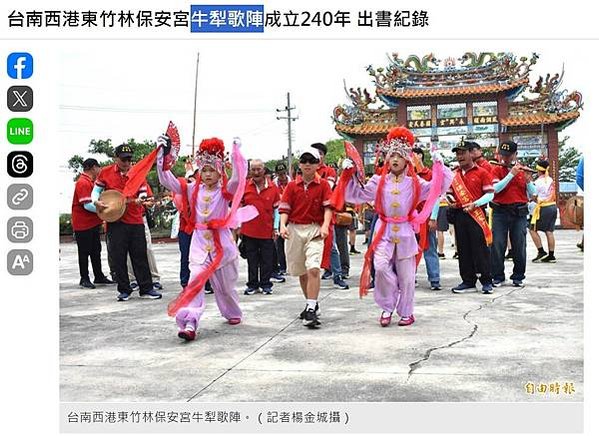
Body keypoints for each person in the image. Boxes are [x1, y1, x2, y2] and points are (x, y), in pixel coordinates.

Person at [339, 127, 453, 327]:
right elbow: (356, 194)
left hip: (406, 231)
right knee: (381, 267)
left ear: (407, 159)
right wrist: (348, 173)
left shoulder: (415, 182)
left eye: (400, 156)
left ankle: (406, 311)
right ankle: (387, 305)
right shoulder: (377, 181)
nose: (395, 160)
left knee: (407, 276)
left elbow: (438, 187)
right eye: (392, 155)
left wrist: (439, 165)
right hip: (383, 229)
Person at [156, 135, 252, 341]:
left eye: (212, 170)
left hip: (223, 246)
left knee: (225, 287)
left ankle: (232, 312)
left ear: (220, 172)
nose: (207, 174)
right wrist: (161, 155)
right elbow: (167, 179)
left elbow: (238, 177)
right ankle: (190, 322)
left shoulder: (226, 191)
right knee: (195, 282)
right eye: (204, 170)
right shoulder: (192, 190)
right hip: (199, 244)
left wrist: (236, 152)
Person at [92, 144, 161, 301]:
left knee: (140, 255)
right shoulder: (106, 172)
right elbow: (96, 191)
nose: (126, 162)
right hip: (115, 221)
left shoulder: (137, 172)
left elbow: (143, 191)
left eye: (129, 159)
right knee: (118, 257)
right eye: (123, 159)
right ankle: (124, 289)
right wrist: (96, 201)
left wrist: (142, 200)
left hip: (136, 220)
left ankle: (146, 288)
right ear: (116, 158)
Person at [279, 147, 333, 328]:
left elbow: (328, 208)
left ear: (318, 164)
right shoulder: (292, 186)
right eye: (304, 161)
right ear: (299, 165)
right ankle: (312, 303)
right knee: (301, 271)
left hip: (314, 229)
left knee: (314, 268)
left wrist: (325, 226)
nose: (308, 164)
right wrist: (282, 225)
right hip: (295, 228)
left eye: (312, 161)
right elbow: (285, 208)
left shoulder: (324, 185)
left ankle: (310, 308)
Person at [446, 140, 495, 294]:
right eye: (457, 154)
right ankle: (468, 281)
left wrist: (475, 204)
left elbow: (490, 195)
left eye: (463, 153)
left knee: (480, 250)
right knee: (463, 249)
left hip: (476, 215)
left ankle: (487, 281)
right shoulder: (454, 175)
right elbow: (448, 193)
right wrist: (451, 201)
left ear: (471, 154)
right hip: (460, 216)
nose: (460, 156)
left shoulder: (482, 172)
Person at [489, 141, 536, 287]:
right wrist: (510, 175)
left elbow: (533, 193)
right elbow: (495, 188)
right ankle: (497, 276)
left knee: (519, 244)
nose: (505, 159)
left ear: (515, 154)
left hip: (519, 212)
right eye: (503, 155)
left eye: (508, 156)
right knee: (497, 244)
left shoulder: (522, 170)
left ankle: (518, 276)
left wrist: (528, 181)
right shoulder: (496, 169)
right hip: (500, 211)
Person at [71, 158, 114, 289]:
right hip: (83, 224)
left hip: (93, 223)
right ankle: (84, 278)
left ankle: (98, 275)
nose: (100, 170)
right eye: (99, 167)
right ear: (93, 167)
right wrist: (106, 211)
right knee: (84, 252)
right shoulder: (82, 182)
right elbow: (87, 205)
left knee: (96, 250)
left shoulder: (92, 182)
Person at [311, 142, 349, 290]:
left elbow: (326, 187)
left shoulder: (329, 171)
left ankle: (337, 275)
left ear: (323, 156)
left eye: (320, 154)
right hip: (308, 215)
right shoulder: (303, 171)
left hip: (326, 214)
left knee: (331, 246)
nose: (317, 157)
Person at [240, 159, 281, 295]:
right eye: (253, 169)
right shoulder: (244, 187)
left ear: (264, 171)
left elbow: (277, 210)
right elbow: (239, 207)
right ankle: (252, 284)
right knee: (252, 259)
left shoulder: (273, 188)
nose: (256, 172)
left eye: (259, 169)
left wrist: (276, 228)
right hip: (249, 231)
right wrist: (239, 227)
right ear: (250, 171)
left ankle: (266, 284)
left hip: (267, 230)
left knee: (267, 259)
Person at [412, 146, 442, 291]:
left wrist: (433, 217)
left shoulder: (430, 174)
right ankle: (410, 277)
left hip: (426, 216)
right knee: (410, 249)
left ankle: (434, 278)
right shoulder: (407, 174)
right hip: (411, 218)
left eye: (413, 155)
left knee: (430, 248)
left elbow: (436, 196)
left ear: (419, 156)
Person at [128, 183, 163, 290]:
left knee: (147, 248)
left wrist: (148, 202)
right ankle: (132, 279)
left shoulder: (141, 181)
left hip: (140, 218)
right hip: (123, 219)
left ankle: (154, 278)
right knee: (127, 251)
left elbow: (150, 200)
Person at [529, 160, 558, 263]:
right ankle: (551, 255)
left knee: (532, 229)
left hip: (543, 208)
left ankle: (541, 251)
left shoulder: (537, 182)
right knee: (549, 231)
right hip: (553, 206)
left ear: (538, 170)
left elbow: (533, 196)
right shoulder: (550, 180)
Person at [273, 162, 291, 274]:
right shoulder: (274, 185)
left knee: (291, 243)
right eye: (280, 174)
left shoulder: (292, 183)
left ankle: (291, 265)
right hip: (279, 216)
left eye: (284, 173)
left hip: (292, 215)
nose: (282, 176)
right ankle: (282, 266)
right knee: (279, 243)